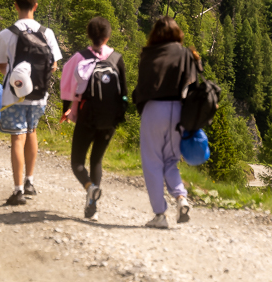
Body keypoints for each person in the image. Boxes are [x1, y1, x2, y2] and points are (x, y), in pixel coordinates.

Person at [0, 0, 62, 206]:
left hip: (14, 95)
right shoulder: (47, 33)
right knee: (32, 132)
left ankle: (18, 190)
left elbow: (1, 65)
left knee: (17, 137)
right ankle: (30, 181)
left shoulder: (7, 34)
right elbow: (54, 66)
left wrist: (17, 79)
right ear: (36, 6)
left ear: (15, 6)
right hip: (39, 95)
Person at [133, 16, 201, 229]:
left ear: (155, 34)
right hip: (177, 112)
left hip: (154, 109)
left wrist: (140, 107)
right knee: (171, 160)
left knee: (152, 162)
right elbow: (193, 86)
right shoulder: (186, 54)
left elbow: (141, 88)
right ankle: (181, 198)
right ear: (177, 33)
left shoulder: (148, 54)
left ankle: (160, 214)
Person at [60, 16, 128, 221]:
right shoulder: (116, 58)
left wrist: (66, 110)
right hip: (109, 120)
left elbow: (66, 86)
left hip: (87, 117)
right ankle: (93, 208)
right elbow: (124, 93)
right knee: (96, 160)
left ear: (89, 35)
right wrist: (119, 115)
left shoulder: (79, 57)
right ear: (108, 36)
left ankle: (89, 187)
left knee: (77, 163)